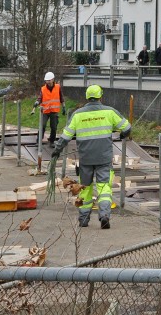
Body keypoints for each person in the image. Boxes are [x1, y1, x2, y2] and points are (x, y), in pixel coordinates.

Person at [52, 84, 131, 229]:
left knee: (85, 188)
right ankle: (104, 216)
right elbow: (127, 127)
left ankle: (83, 220)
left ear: (87, 97)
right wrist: (122, 135)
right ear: (101, 96)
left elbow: (65, 136)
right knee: (104, 189)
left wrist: (57, 150)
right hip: (103, 158)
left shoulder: (78, 115)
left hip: (86, 159)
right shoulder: (109, 112)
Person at [37, 71, 62, 146]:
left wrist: (63, 106)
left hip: (54, 111)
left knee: (54, 127)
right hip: (45, 111)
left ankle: (52, 141)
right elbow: (40, 97)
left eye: (49, 80)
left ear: (53, 79)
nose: (48, 82)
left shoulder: (58, 87)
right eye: (47, 81)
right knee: (42, 125)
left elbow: (61, 97)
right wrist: (37, 102)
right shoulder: (43, 89)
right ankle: (38, 140)